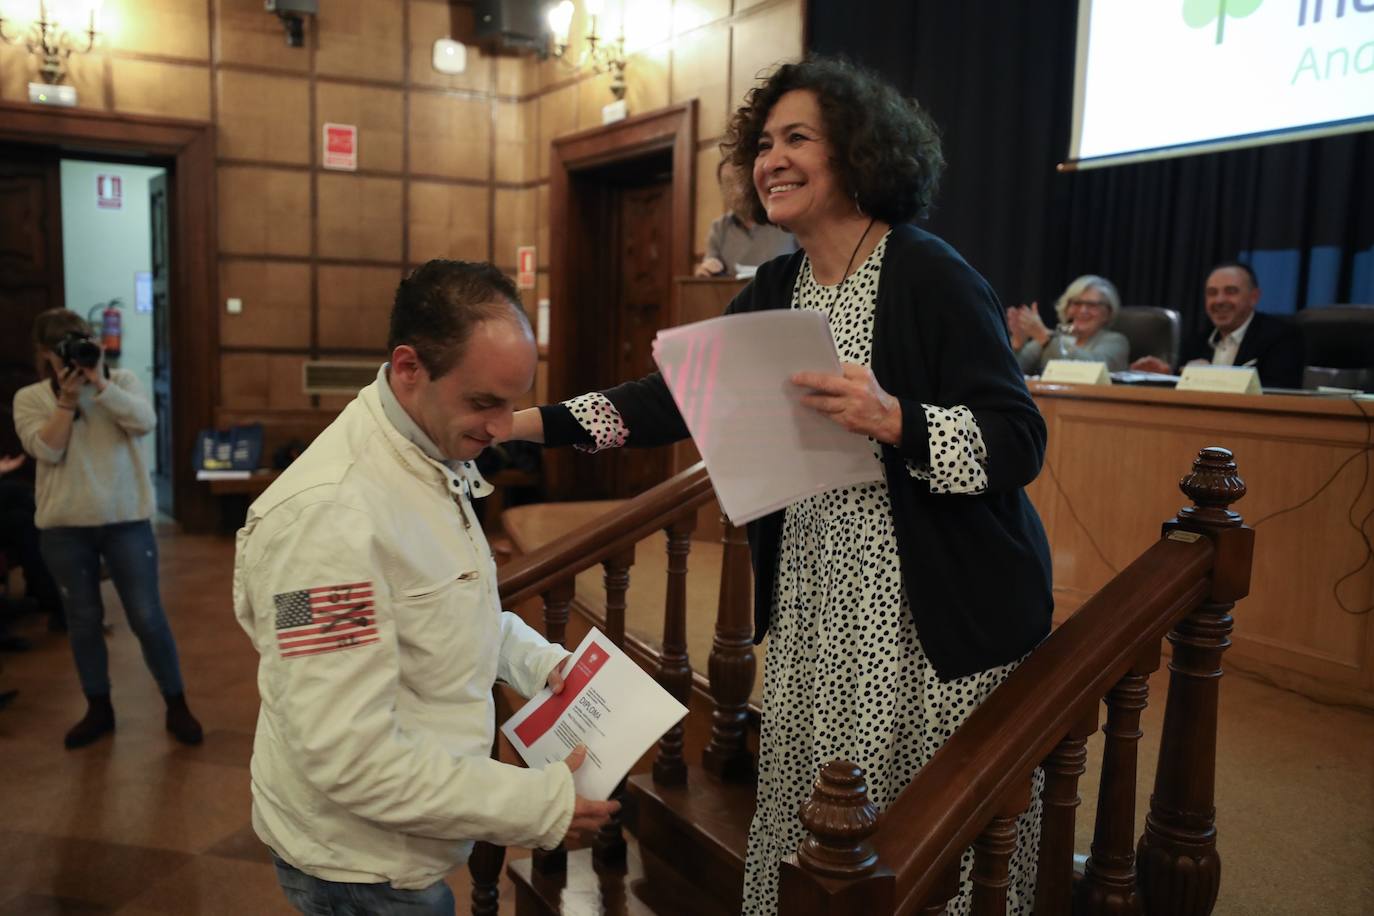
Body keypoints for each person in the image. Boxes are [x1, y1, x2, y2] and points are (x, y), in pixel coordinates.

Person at [509, 58, 1051, 915]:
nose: (771, 160)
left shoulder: (929, 273)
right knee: (814, 802)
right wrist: (528, 423)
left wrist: (895, 417)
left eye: (798, 139)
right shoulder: (776, 285)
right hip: (812, 591)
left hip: (928, 605)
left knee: (914, 818)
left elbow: (1020, 441)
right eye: (764, 144)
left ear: (860, 154)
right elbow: (669, 403)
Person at [233, 260, 618, 915]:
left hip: (408, 840)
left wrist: (542, 664)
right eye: (483, 402)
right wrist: (535, 805)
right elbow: (351, 760)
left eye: (513, 401)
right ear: (410, 368)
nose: (502, 429)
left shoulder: (426, 446)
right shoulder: (326, 522)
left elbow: (446, 605)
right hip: (360, 868)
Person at [11, 309, 202, 749]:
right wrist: (66, 401)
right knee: (82, 621)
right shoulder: (31, 398)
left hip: (126, 520)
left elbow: (146, 423)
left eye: (79, 341)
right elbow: (45, 449)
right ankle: (99, 707)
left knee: (148, 616)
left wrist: (100, 384)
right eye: (61, 348)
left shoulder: (123, 383)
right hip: (64, 527)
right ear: (44, 354)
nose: (73, 355)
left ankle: (176, 703)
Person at [1131, 260, 1304, 388]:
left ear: (1254, 297)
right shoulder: (1196, 341)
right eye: (1212, 293)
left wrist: (1210, 376)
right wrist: (1167, 378)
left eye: (1231, 292)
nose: (1219, 300)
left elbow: (1279, 393)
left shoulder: (1282, 337)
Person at [695, 158, 798, 278]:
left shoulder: (785, 218)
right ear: (721, 190)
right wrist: (704, 271)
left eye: (741, 181)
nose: (737, 191)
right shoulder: (719, 228)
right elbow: (710, 268)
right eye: (728, 184)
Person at [1007, 274, 1130, 374]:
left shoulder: (1116, 341)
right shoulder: (1051, 338)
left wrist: (1044, 336)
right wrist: (1017, 343)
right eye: (1076, 303)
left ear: (1107, 313)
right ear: (1066, 308)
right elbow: (1011, 374)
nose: (1083, 310)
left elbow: (1091, 372)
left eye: (1092, 305)